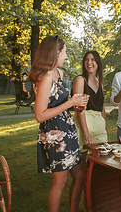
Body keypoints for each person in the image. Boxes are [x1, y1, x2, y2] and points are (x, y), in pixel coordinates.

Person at [28, 35, 89, 212]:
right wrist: (69, 103)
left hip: (68, 131)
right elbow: (40, 115)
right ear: (56, 52)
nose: (66, 56)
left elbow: (57, 105)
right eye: (65, 52)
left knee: (79, 176)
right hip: (55, 135)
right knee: (60, 181)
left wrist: (74, 108)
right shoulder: (46, 78)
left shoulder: (59, 74)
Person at [72, 50, 108, 169]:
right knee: (81, 164)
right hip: (83, 123)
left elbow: (102, 107)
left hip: (98, 125)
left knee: (100, 161)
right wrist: (86, 133)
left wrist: (105, 127)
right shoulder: (80, 80)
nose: (89, 62)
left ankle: (93, 187)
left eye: (92, 60)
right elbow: (78, 109)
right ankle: (82, 187)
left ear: (98, 63)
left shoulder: (100, 83)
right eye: (87, 60)